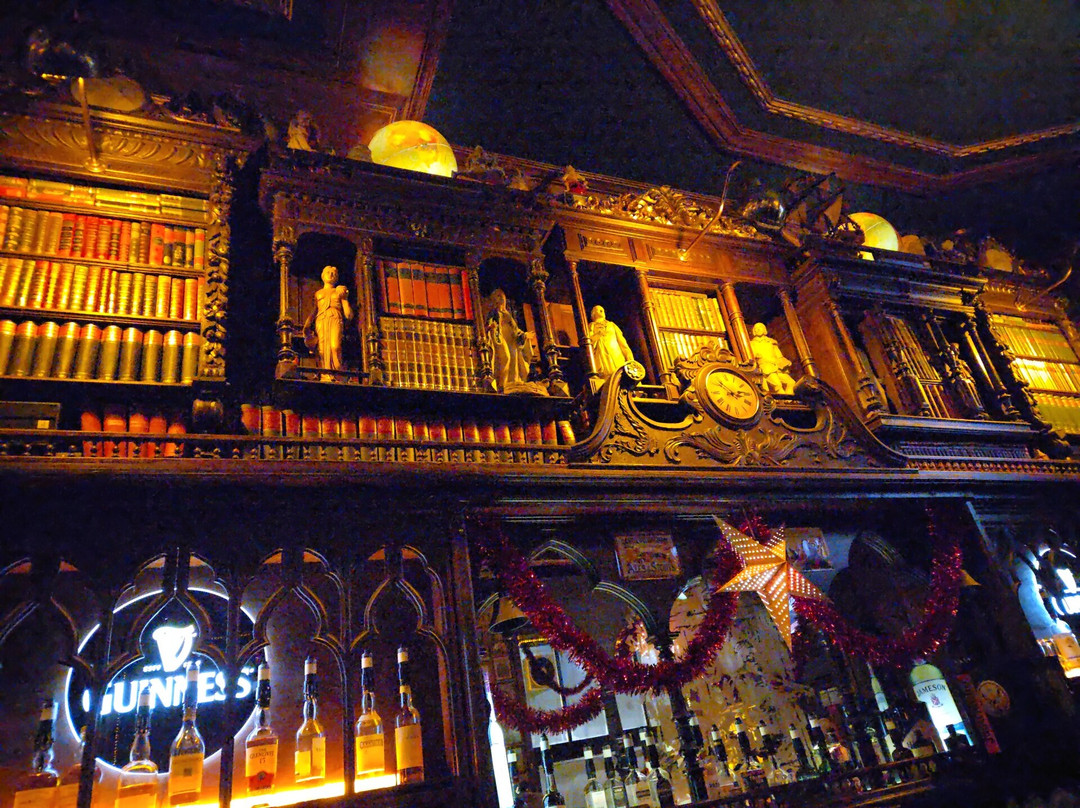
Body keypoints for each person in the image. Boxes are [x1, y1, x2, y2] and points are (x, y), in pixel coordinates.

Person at [305, 265, 352, 380]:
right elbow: (314, 311)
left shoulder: (339, 291)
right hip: (321, 320)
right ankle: (325, 375)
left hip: (335, 318)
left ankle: (337, 374)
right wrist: (307, 325)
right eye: (328, 272)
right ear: (322, 276)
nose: (330, 274)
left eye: (333, 273)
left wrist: (345, 298)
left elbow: (349, 315)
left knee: (335, 347)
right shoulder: (318, 293)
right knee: (321, 349)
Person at [487, 289, 532, 392]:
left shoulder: (508, 314)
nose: (501, 298)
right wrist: (491, 327)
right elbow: (487, 326)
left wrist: (524, 335)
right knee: (505, 358)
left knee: (514, 362)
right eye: (498, 296)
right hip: (499, 338)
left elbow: (516, 330)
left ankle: (511, 384)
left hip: (511, 341)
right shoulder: (493, 313)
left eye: (502, 296)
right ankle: (501, 384)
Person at [589, 305, 635, 380]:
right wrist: (598, 335)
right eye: (598, 310)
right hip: (601, 357)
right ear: (593, 314)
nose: (601, 311)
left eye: (602, 310)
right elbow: (589, 343)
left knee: (619, 376)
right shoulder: (591, 326)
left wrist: (630, 359)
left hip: (615, 355)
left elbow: (623, 343)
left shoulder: (612, 325)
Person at [749, 322, 796, 394]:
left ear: (764, 329)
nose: (758, 329)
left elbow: (779, 355)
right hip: (766, 367)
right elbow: (751, 356)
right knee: (778, 385)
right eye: (756, 328)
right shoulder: (752, 344)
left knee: (791, 382)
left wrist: (784, 361)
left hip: (777, 366)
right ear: (754, 331)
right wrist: (756, 356)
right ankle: (784, 400)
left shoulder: (771, 342)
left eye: (760, 327)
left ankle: (789, 399)